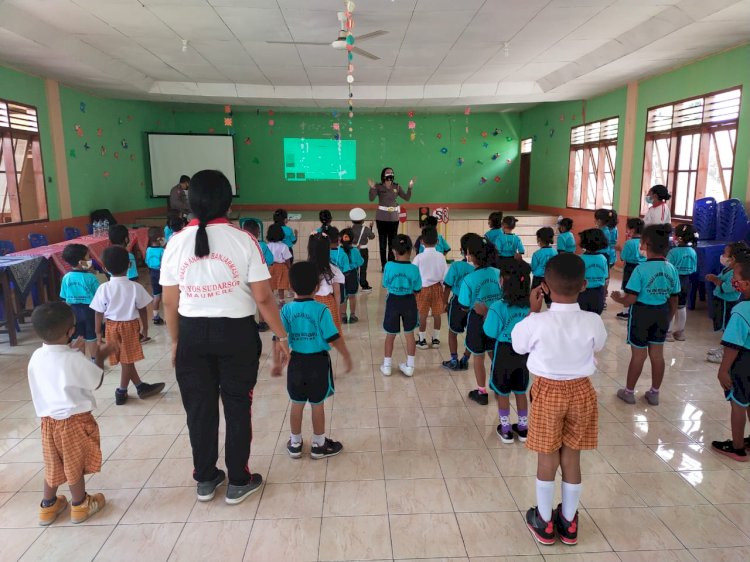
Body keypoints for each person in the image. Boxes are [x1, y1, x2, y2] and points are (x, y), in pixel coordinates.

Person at [161, 169, 290, 505]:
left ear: (190, 201)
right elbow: (263, 298)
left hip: (191, 334)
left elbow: (169, 302)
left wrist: (176, 341)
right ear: (228, 202)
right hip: (236, 335)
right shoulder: (243, 240)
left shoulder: (175, 243)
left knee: (199, 410)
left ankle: (205, 479)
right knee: (237, 406)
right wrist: (281, 336)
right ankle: (238, 480)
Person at [512, 253, 607, 546]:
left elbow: (518, 346)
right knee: (572, 456)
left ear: (544, 288)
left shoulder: (535, 322)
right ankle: (568, 521)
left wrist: (532, 311)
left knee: (547, 456)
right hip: (582, 391)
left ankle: (544, 521)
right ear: (584, 285)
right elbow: (599, 346)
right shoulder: (593, 320)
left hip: (547, 392)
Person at [28, 302, 114, 526]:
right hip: (73, 422)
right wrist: (99, 357)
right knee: (73, 464)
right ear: (70, 331)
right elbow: (96, 380)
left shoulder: (36, 356)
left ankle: (48, 506)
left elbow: (57, 370)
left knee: (53, 463)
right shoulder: (73, 359)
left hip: (48, 422)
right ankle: (80, 504)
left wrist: (72, 353)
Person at [278, 261, 352, 460]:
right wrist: (346, 355)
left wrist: (278, 361)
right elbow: (333, 337)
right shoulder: (321, 311)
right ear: (317, 287)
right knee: (317, 405)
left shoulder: (286, 311)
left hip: (296, 363)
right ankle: (318, 445)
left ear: (291, 286)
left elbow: (280, 337)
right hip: (317, 364)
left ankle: (295, 444)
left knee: (296, 403)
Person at [611, 225, 680, 406]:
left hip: (642, 314)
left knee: (638, 355)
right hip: (662, 314)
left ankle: (628, 392)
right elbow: (674, 300)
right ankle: (654, 393)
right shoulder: (671, 268)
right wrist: (668, 318)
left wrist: (618, 298)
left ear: (646, 244)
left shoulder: (640, 270)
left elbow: (631, 299)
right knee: (657, 355)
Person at [91, 246, 165, 405]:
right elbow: (143, 309)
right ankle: (121, 391)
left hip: (111, 327)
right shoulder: (135, 287)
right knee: (127, 360)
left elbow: (98, 312)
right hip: (130, 327)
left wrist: (98, 333)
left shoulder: (103, 288)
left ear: (104, 268)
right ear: (129, 265)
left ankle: (140, 386)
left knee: (126, 359)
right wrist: (145, 328)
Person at [483, 259, 531, 443]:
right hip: (523, 354)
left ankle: (505, 428)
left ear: (502, 281)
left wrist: (487, 315)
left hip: (503, 352)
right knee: (520, 390)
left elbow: (490, 331)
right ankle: (523, 427)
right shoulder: (529, 306)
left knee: (502, 391)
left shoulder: (497, 306)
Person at [711, 253, 750, 462]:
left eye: (735, 277)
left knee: (738, 404)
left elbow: (733, 346)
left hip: (743, 363)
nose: (733, 281)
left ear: (745, 284)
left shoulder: (741, 310)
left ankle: (737, 448)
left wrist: (723, 370)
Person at [458, 234, 502, 405]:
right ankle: (499, 387)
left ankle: (481, 391)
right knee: (494, 353)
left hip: (477, 321)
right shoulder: (498, 273)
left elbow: (463, 305)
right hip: (495, 318)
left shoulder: (469, 279)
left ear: (471, 255)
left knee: (478, 356)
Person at [380, 234, 421, 377]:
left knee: (390, 335)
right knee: (410, 334)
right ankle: (410, 366)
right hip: (409, 301)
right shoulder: (414, 269)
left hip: (393, 301)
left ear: (393, 251)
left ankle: (387, 366)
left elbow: (385, 284)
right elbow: (417, 289)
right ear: (411, 250)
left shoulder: (389, 265)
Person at [706, 242, 747, 363]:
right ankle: (723, 348)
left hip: (729, 302)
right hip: (721, 300)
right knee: (724, 326)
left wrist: (716, 280)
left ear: (733, 258)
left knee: (728, 327)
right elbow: (722, 278)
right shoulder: (728, 268)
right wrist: (715, 278)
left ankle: (726, 352)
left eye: (726, 253)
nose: (723, 256)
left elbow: (729, 287)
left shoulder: (737, 272)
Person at [368, 167, 414, 270]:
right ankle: (384, 265)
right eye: (388, 172)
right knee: (382, 243)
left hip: (393, 218)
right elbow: (371, 199)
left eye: (392, 172)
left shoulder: (397, 187)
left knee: (392, 243)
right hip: (381, 218)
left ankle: (391, 264)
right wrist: (372, 188)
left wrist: (410, 188)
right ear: (383, 175)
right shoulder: (378, 186)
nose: (390, 174)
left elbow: (407, 198)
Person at [60, 244, 100, 361]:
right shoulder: (91, 278)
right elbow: (99, 296)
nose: (90, 260)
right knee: (91, 336)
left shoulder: (66, 277)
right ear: (80, 262)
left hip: (74, 312)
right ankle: (95, 360)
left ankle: (80, 361)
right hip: (90, 311)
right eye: (88, 258)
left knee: (78, 337)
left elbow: (64, 297)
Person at [442, 233, 474, 371]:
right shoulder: (482, 269)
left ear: (462, 250)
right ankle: (465, 358)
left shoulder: (456, 266)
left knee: (452, 331)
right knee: (472, 332)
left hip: (458, 302)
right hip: (475, 304)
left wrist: (444, 302)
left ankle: (454, 360)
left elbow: (448, 285)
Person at [412, 226, 448, 350]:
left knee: (422, 314)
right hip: (437, 288)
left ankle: (422, 340)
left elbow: (414, 274)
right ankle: (436, 339)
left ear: (422, 241)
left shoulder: (419, 257)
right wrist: (444, 290)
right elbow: (445, 275)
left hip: (422, 289)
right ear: (437, 241)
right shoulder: (441, 257)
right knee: (437, 314)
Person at [666, 224, 698, 341]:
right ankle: (680, 332)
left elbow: (667, 267)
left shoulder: (673, 252)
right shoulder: (693, 252)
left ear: (679, 238)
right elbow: (694, 268)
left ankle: (668, 333)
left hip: (673, 282)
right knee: (681, 306)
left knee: (670, 306)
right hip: (686, 282)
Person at [309, 232, 345, 336]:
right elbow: (337, 293)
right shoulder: (333, 270)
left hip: (310, 303)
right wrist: (337, 310)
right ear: (327, 249)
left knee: (313, 331)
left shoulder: (305, 268)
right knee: (328, 332)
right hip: (328, 303)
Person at [244, 220, 273, 332]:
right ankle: (262, 322)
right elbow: (270, 260)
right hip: (259, 278)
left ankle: (249, 321)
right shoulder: (262, 245)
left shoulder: (239, 244)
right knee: (261, 299)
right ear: (257, 232)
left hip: (243, 279)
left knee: (247, 299)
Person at [616, 218, 646, 321]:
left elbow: (623, 257)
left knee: (628, 290)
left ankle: (626, 313)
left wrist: (620, 250)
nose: (627, 231)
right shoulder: (644, 241)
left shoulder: (629, 243)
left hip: (630, 268)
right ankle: (636, 311)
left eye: (627, 229)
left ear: (632, 230)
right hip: (642, 268)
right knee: (638, 289)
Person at [577, 229, 608, 315]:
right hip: (598, 293)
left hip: (582, 293)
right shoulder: (603, 258)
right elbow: (606, 278)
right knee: (595, 316)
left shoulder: (580, 259)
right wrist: (605, 292)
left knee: (582, 317)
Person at [339, 228, 364, 324]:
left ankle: (343, 315)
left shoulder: (338, 251)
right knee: (352, 295)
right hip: (352, 274)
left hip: (341, 275)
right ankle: (352, 315)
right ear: (352, 239)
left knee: (343, 296)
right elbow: (360, 262)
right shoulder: (355, 251)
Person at [349, 207, 375, 292]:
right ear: (363, 220)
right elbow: (372, 237)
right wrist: (371, 228)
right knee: (363, 268)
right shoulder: (366, 229)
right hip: (363, 251)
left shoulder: (350, 229)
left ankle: (354, 285)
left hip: (353, 250)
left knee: (354, 267)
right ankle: (364, 285)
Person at [594, 209, 618, 300]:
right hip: (606, 254)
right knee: (605, 275)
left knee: (604, 276)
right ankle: (602, 294)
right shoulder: (605, 229)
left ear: (599, 220)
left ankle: (603, 295)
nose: (595, 221)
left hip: (604, 254)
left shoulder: (604, 231)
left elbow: (601, 245)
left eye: (595, 219)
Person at [266, 223, 293, 306]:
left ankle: (271, 302)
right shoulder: (284, 246)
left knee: (271, 285)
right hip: (282, 267)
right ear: (281, 234)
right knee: (281, 285)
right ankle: (281, 301)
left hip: (270, 266)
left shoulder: (267, 246)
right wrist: (290, 267)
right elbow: (287, 259)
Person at [530, 227, 557, 307]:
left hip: (538, 280)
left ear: (539, 239)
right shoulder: (555, 252)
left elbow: (533, 268)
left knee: (535, 297)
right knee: (549, 299)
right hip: (550, 279)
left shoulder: (536, 254)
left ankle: (535, 314)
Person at [145, 227, 166, 325]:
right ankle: (168, 316)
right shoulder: (162, 250)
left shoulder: (148, 249)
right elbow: (165, 263)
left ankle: (156, 317)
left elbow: (146, 261)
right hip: (162, 273)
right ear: (159, 239)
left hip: (152, 273)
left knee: (156, 296)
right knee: (166, 296)